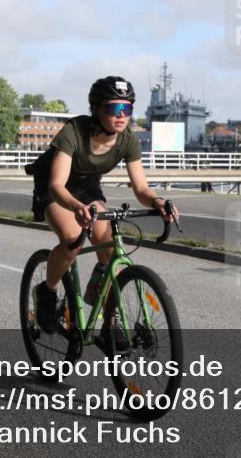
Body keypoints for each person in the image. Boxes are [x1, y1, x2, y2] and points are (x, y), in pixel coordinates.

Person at [31, 76, 178, 335]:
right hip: (55, 188)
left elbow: (141, 188)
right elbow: (57, 185)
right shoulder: (74, 130)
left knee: (110, 247)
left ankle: (108, 320)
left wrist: (158, 202)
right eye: (113, 109)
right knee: (73, 238)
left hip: (87, 188)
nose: (121, 116)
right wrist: (76, 207)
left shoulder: (127, 140)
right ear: (96, 109)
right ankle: (47, 292)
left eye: (127, 109)